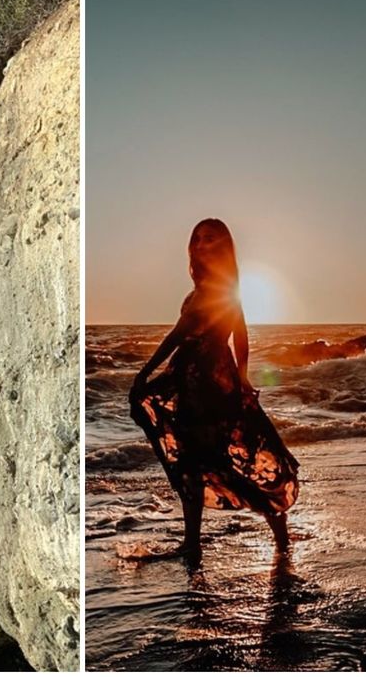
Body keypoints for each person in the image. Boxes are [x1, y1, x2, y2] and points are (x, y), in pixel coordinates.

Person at [129, 218, 300, 562]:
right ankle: (266, 535)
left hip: (209, 386)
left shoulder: (214, 291)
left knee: (217, 461)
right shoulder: (217, 288)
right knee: (202, 464)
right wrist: (241, 375)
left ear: (222, 247)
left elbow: (183, 335)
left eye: (210, 239)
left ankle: (269, 533)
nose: (201, 244)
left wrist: (144, 374)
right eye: (197, 238)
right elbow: (238, 335)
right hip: (193, 383)